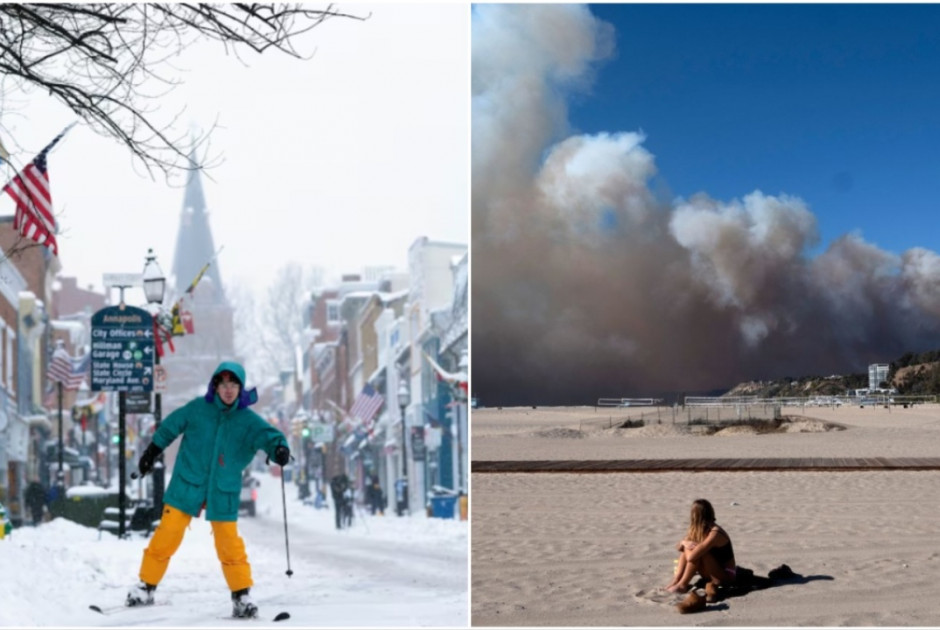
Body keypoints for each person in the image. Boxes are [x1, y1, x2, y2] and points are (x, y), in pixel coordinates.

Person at [125, 362, 290, 618]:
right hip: (186, 483)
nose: (228, 389)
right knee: (167, 534)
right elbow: (170, 426)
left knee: (229, 544)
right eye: (223, 384)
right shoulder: (197, 409)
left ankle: (241, 595)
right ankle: (146, 586)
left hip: (222, 490)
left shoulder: (247, 420)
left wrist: (279, 449)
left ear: (240, 388)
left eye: (234, 384)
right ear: (215, 385)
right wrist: (151, 452)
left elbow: (270, 437)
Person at [665, 499, 736, 598]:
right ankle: (677, 580)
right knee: (689, 548)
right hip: (712, 570)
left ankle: (682, 585)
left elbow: (691, 557)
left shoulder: (715, 533)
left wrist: (687, 546)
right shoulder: (698, 529)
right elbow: (679, 548)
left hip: (726, 576)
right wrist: (684, 542)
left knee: (698, 552)